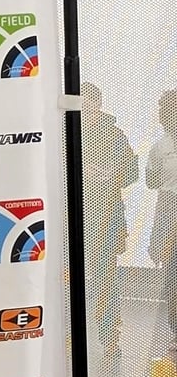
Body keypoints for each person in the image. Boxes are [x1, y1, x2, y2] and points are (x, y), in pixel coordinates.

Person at [80, 82, 138, 359]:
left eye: (90, 103)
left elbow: (132, 174)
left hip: (106, 216)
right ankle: (69, 334)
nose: (86, 109)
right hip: (73, 216)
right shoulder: (67, 132)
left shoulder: (115, 135)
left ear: (98, 105)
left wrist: (108, 174)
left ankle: (109, 337)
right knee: (68, 277)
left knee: (105, 277)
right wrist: (81, 170)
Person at [145, 88, 177, 347]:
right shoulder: (161, 146)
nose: (164, 115)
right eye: (163, 111)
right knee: (171, 275)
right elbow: (151, 182)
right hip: (168, 205)